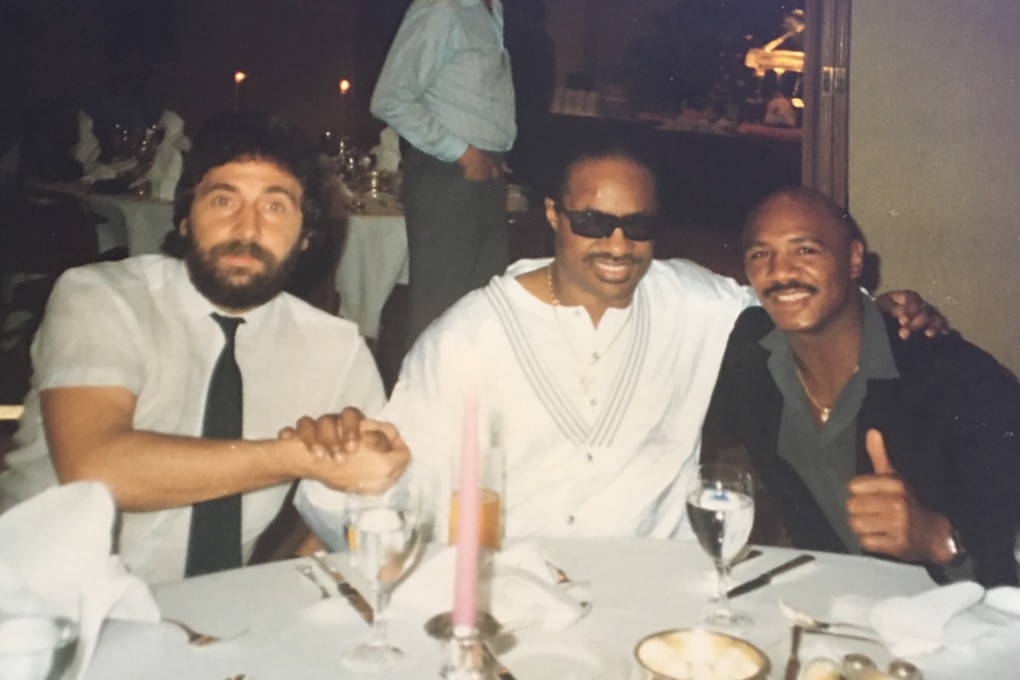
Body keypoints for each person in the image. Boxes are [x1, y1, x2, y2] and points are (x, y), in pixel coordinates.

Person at [293, 145, 939, 546]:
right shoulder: (468, 337)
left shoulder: (691, 299)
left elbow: (793, 297)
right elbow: (390, 481)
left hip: (657, 591)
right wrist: (335, 478)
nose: (618, 245)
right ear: (553, 215)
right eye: (593, 223)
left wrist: (876, 307)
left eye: (639, 226)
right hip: (511, 600)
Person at [0, 111, 406, 584]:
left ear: (306, 238)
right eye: (222, 200)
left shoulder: (337, 349)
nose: (246, 228)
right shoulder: (101, 297)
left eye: (274, 207)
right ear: (187, 220)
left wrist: (282, 587)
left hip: (205, 626)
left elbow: (377, 505)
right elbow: (97, 469)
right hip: (34, 601)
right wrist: (297, 456)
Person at [705, 187, 1020, 586]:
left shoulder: (959, 380)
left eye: (805, 251)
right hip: (834, 610)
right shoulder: (752, 354)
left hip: (960, 624)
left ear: (854, 260)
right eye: (760, 254)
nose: (780, 272)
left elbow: (1008, 545)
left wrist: (937, 539)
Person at [370, 0, 516, 351]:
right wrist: (464, 153)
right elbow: (389, 99)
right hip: (447, 177)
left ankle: (466, 407)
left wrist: (492, 153)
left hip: (486, 175)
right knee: (437, 323)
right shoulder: (442, 8)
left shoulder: (491, 10)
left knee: (484, 317)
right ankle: (417, 405)